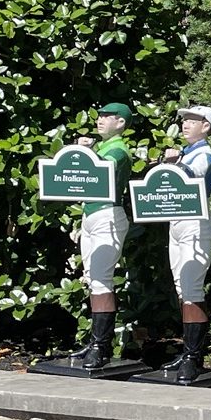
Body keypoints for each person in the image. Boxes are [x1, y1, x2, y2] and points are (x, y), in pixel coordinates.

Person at [158, 105, 211, 384]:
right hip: (178, 222)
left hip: (196, 222)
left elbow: (191, 178)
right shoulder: (186, 152)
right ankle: (188, 352)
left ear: (206, 127)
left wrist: (175, 165)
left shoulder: (204, 154)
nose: (185, 124)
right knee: (182, 289)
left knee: (192, 289)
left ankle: (193, 357)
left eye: (193, 121)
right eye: (184, 120)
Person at [71, 102, 134, 368]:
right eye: (100, 116)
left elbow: (100, 169)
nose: (100, 120)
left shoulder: (118, 150)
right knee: (93, 278)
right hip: (91, 215)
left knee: (101, 280)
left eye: (108, 116)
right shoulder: (102, 147)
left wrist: (84, 152)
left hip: (108, 214)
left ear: (121, 123)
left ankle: (100, 345)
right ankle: (96, 342)